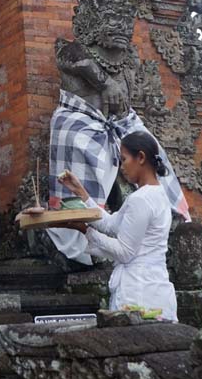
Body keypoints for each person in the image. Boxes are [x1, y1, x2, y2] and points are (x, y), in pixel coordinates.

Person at [54, 130, 178, 321]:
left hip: (139, 290)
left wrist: (84, 230)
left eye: (124, 159)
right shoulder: (157, 194)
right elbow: (111, 224)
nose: (121, 167)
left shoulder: (141, 199)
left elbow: (124, 252)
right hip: (154, 287)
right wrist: (81, 192)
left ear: (141, 158)